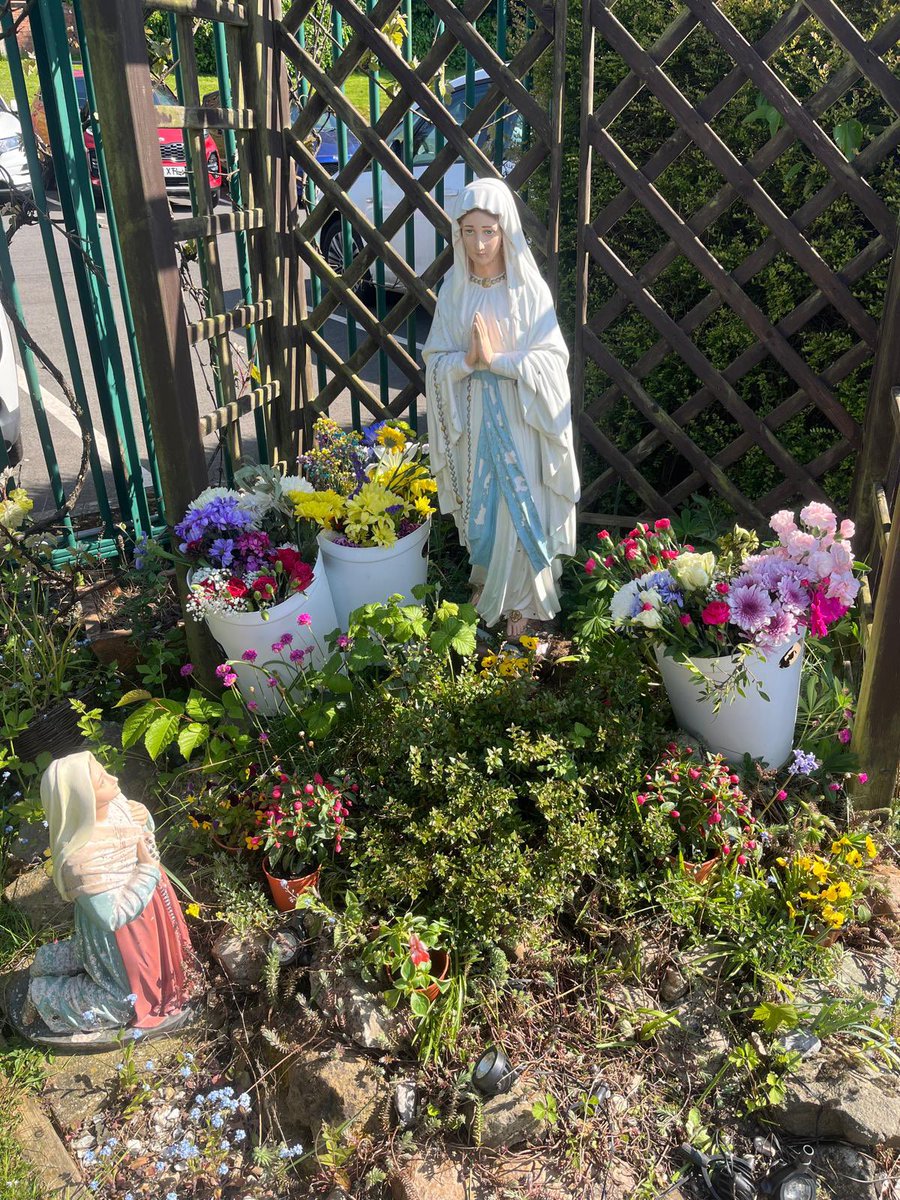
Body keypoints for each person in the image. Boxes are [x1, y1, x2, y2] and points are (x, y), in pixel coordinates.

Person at [423, 177, 579, 638]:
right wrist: (466, 362)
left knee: (521, 504)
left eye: (488, 231)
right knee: (483, 504)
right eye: (469, 231)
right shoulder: (454, 290)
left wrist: (499, 362)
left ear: (505, 229)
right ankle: (490, 583)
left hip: (521, 419)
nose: (479, 243)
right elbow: (435, 358)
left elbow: (552, 360)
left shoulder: (528, 291)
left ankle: (526, 602)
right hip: (473, 417)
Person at [25, 751, 194, 1034]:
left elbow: (143, 837)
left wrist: (144, 817)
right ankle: (44, 993)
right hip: (124, 937)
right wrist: (147, 871)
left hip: (150, 912)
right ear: (82, 798)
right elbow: (111, 917)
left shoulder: (116, 806)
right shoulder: (81, 860)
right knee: (129, 1000)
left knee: (161, 970)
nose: (113, 778)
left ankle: (49, 960)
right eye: (101, 780)